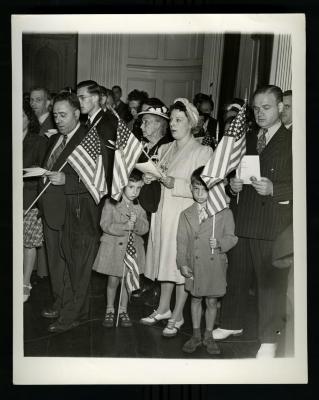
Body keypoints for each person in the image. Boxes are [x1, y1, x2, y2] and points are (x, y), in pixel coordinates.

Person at [214, 85, 292, 358]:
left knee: (270, 285)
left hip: (271, 223)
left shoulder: (293, 140)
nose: (259, 113)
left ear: (281, 108)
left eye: (266, 107)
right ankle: (231, 323)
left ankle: (270, 339)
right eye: (256, 108)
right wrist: (233, 186)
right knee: (236, 276)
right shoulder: (246, 139)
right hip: (244, 218)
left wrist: (275, 189)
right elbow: (237, 174)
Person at [140, 98, 213, 337]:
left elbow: (202, 186)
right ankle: (163, 308)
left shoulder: (202, 151)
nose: (172, 124)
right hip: (164, 213)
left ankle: (178, 314)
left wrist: (175, 183)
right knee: (165, 261)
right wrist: (151, 178)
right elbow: (159, 173)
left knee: (181, 265)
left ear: (191, 123)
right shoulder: (165, 148)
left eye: (178, 120)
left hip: (184, 214)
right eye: (171, 119)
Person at [38, 92, 103, 333]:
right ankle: (63, 302)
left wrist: (67, 180)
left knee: (77, 268)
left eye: (63, 115)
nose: (58, 120)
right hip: (53, 211)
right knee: (58, 265)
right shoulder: (57, 138)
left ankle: (73, 315)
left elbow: (99, 179)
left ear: (77, 113)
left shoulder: (89, 139)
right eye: (55, 115)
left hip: (77, 213)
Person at [177, 167, 238, 354]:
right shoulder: (186, 214)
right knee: (195, 299)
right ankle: (196, 334)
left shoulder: (224, 213)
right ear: (191, 188)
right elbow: (181, 241)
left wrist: (219, 243)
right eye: (196, 189)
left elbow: (232, 237)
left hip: (214, 264)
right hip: (194, 264)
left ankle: (209, 335)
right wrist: (182, 263)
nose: (200, 194)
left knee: (211, 301)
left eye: (205, 189)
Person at [93, 170, 149, 328]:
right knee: (113, 280)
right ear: (122, 186)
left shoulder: (139, 208)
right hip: (113, 250)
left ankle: (123, 309)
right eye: (131, 187)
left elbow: (145, 228)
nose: (135, 192)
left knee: (127, 281)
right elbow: (105, 224)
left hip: (131, 251)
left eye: (138, 188)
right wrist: (124, 226)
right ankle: (110, 308)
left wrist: (136, 223)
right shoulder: (111, 203)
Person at [132, 99, 172, 301]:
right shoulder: (144, 145)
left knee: (155, 244)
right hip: (142, 202)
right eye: (142, 122)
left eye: (146, 122)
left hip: (158, 204)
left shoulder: (168, 147)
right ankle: (145, 281)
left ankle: (155, 285)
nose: (142, 126)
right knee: (143, 244)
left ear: (159, 124)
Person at [23, 100, 48, 302]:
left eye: (22, 116)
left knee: (28, 243)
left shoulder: (38, 141)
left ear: (29, 119)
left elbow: (43, 174)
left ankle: (25, 283)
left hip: (30, 200)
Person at [77, 80, 118, 192]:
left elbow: (107, 160)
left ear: (95, 98)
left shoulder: (108, 121)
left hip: (100, 186)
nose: (79, 102)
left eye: (82, 98)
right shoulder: (87, 121)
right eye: (78, 98)